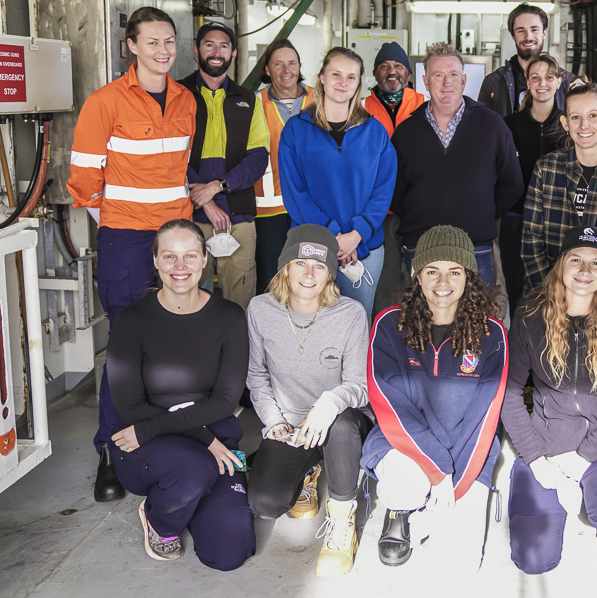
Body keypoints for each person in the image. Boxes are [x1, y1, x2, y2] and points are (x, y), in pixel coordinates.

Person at [67, 6, 197, 503]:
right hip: (126, 240)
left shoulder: (186, 99)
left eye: (169, 42)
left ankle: (171, 436)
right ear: (132, 45)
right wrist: (120, 219)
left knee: (179, 340)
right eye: (153, 42)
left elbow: (182, 166)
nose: (164, 51)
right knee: (126, 349)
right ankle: (109, 451)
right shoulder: (105, 103)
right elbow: (83, 182)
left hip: (178, 237)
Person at [106, 219, 255, 570]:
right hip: (144, 443)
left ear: (205, 260)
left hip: (213, 441)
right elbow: (129, 406)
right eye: (169, 257)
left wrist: (207, 438)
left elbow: (224, 401)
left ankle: (188, 501)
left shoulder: (230, 317)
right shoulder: (132, 320)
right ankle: (162, 517)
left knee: (229, 553)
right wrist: (203, 438)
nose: (180, 266)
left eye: (190, 256)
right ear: (155, 261)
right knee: (193, 468)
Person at [360, 226, 507, 572]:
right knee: (404, 486)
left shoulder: (492, 332)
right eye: (432, 271)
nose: (443, 282)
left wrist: (455, 486)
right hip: (404, 446)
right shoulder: (388, 324)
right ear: (417, 274)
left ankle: (436, 505)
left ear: (469, 277)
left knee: (458, 565)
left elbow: (484, 419)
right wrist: (437, 472)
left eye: (454, 271)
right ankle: (400, 507)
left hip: (467, 452)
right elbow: (390, 407)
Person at [503, 226, 597, 574]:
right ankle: (563, 500)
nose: (585, 271)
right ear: (560, 266)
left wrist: (585, 457)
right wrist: (535, 458)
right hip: (548, 443)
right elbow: (508, 395)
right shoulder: (529, 315)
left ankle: (595, 496)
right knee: (533, 559)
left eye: (596, 263)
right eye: (576, 260)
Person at [246, 225, 373, 576]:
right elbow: (256, 376)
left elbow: (359, 386)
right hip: (291, 425)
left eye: (319, 266)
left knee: (344, 425)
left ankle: (342, 522)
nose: (308, 273)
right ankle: (310, 470)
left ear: (330, 272)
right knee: (266, 503)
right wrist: (273, 422)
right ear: (284, 267)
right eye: (300, 262)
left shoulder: (350, 314)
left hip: (340, 420)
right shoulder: (260, 309)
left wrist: (328, 404)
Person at [390, 43, 523, 289]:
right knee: (421, 323)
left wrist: (480, 213)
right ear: (425, 82)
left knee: (474, 323)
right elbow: (393, 191)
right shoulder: (406, 132)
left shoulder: (492, 125)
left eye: (452, 75)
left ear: (463, 80)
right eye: (438, 75)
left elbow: (512, 184)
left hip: (475, 248)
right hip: (420, 248)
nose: (446, 83)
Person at [278, 47, 397, 317]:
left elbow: (383, 189)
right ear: (321, 77)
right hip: (311, 248)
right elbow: (295, 193)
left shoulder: (375, 131)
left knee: (356, 325)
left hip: (363, 247)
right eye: (336, 74)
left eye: (351, 77)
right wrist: (331, 236)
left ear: (359, 83)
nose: (343, 83)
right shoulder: (296, 130)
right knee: (308, 324)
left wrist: (356, 234)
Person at [521, 80, 597, 294]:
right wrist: (549, 292)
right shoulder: (546, 168)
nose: (584, 125)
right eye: (575, 117)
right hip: (549, 292)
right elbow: (531, 239)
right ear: (565, 123)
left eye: (593, 116)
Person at [180, 22, 270, 309]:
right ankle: (191, 354)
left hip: (238, 216)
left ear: (233, 54)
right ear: (196, 50)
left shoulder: (248, 100)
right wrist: (204, 200)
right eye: (209, 45)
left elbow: (258, 157)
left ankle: (236, 354)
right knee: (184, 296)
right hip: (186, 216)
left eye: (224, 46)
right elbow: (170, 155)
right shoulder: (177, 95)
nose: (216, 52)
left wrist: (218, 187)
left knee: (240, 300)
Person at [500, 52, 567, 308]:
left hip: (557, 221)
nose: (542, 84)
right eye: (535, 77)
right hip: (517, 220)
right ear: (527, 82)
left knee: (557, 294)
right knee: (518, 294)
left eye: (549, 77)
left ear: (559, 81)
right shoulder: (509, 125)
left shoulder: (568, 124)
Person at [364, 41, 425, 316]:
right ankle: (387, 336)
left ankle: (421, 334)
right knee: (386, 279)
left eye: (399, 66)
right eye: (385, 66)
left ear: (408, 74)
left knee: (421, 275)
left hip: (417, 205)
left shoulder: (424, 104)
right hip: (380, 209)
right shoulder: (362, 107)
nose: (392, 72)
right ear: (375, 74)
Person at [254, 39, 314, 294]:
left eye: (291, 63)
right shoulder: (254, 102)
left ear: (300, 67)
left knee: (311, 274)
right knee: (272, 276)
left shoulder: (320, 98)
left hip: (314, 205)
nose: (286, 70)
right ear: (267, 69)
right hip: (270, 207)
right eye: (278, 64)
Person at [478, 3, 572, 118]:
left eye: (534, 30)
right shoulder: (493, 83)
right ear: (513, 36)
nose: (528, 37)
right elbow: (482, 126)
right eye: (521, 31)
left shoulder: (567, 82)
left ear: (544, 33)